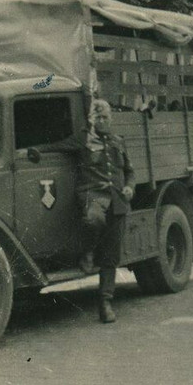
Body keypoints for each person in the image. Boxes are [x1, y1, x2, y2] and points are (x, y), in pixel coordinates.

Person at [43, 98, 136, 323]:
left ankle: (105, 302)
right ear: (90, 120)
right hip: (92, 195)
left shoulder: (118, 141)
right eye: (98, 118)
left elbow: (130, 171)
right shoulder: (82, 139)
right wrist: (32, 151)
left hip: (117, 200)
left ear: (111, 119)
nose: (102, 121)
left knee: (111, 255)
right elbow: (55, 146)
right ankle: (89, 250)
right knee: (94, 219)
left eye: (105, 117)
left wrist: (129, 187)